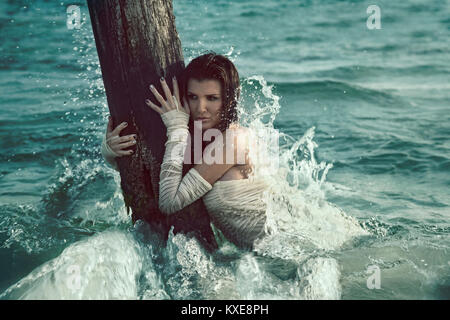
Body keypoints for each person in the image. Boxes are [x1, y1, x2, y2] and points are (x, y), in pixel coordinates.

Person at [102, 53, 269, 250]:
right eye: (192, 97)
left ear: (228, 100)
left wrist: (176, 128)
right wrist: (112, 153)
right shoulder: (207, 137)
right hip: (258, 254)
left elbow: (169, 202)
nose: (200, 108)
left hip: (283, 248)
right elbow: (153, 171)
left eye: (212, 98)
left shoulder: (233, 141)